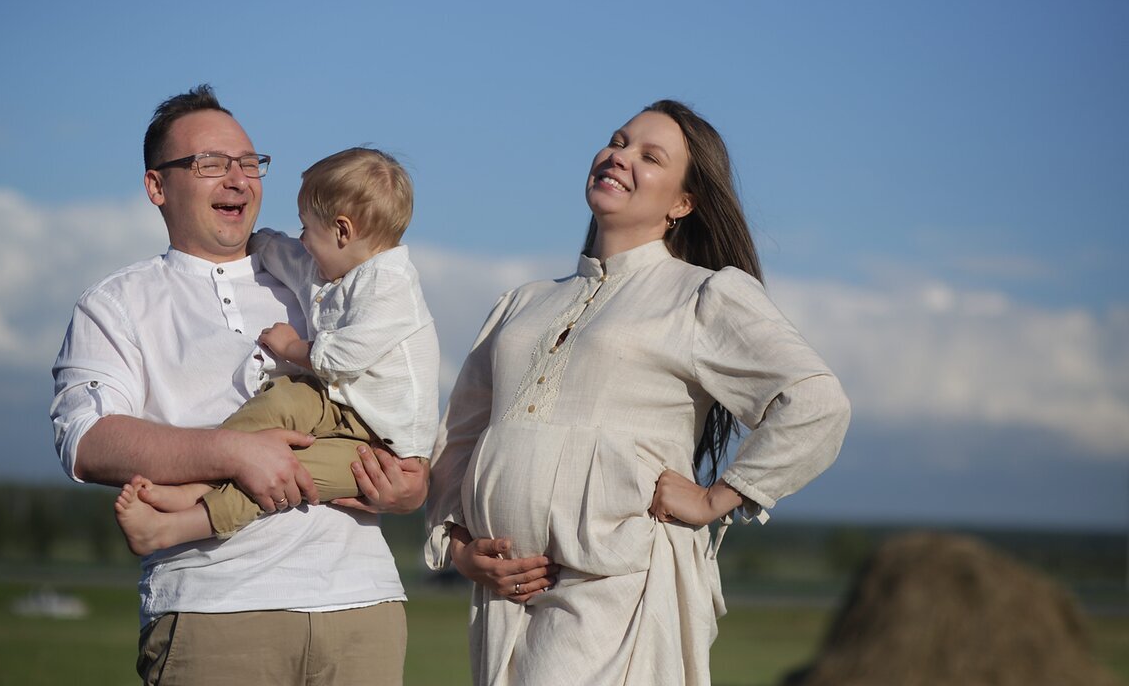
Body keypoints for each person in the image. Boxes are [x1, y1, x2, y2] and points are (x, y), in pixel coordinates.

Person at [424, 100, 851, 686]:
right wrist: (460, 549)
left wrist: (717, 497)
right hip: (503, 596)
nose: (619, 157)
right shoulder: (521, 303)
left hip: (620, 585)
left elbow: (817, 402)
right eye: (618, 141)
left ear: (683, 204)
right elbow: (461, 434)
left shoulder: (703, 295)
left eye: (650, 157)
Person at [50, 85, 426, 685]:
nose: (237, 179)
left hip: (363, 605)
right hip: (214, 608)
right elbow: (86, 441)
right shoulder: (116, 303)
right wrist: (233, 452)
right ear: (157, 186)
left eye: (249, 163)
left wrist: (412, 482)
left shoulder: (327, 275)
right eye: (210, 163)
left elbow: (398, 386)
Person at [112, 147, 440, 556]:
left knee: (287, 471)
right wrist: (254, 240)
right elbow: (292, 259)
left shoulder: (392, 285)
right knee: (280, 398)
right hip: (339, 401)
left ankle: (178, 526)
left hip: (381, 442)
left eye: (306, 228)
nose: (301, 238)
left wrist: (291, 347)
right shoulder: (337, 268)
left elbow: (346, 357)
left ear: (342, 231)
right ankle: (200, 480)